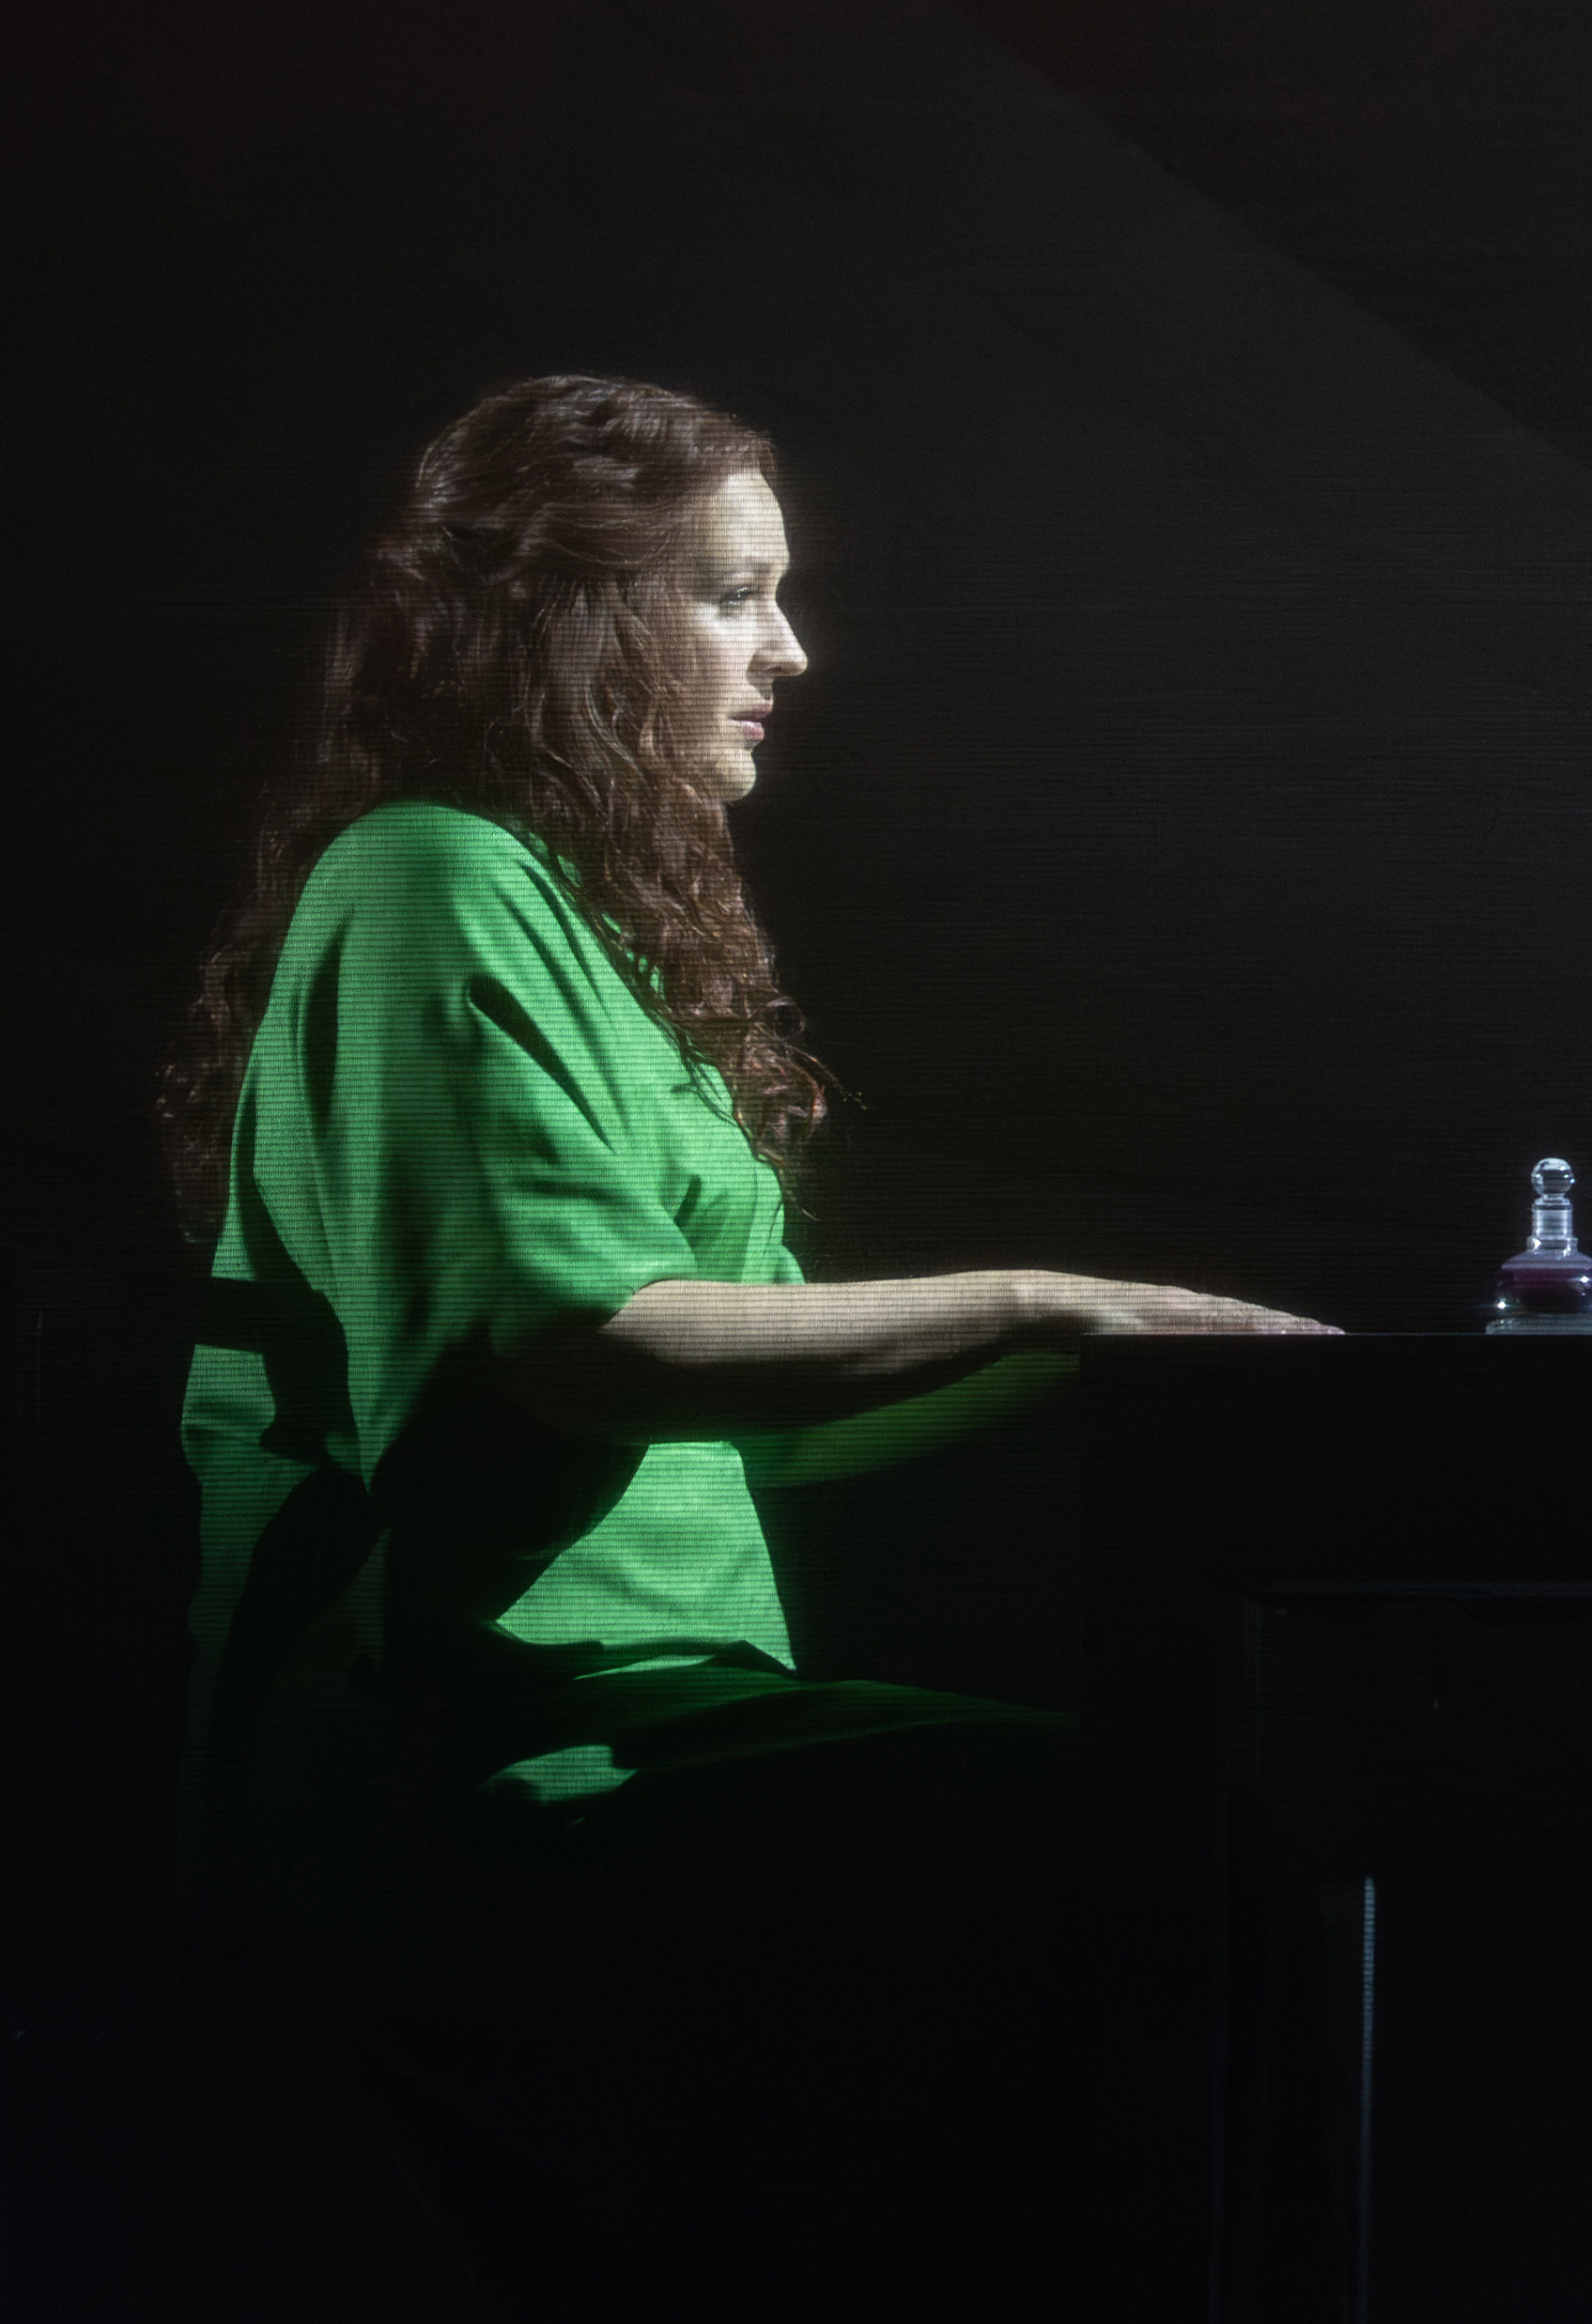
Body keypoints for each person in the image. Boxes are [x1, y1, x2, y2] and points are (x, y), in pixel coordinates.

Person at [160, 374, 1333, 2319]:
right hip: (491, 1750)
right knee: (1174, 1850)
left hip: (654, 1713)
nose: (793, 652)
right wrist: (1047, 1302)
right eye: (730, 597)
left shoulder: (590, 929)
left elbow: (761, 1423)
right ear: (572, 623)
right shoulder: (433, 873)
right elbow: (591, 1348)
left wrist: (1136, 1354)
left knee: (1221, 1860)